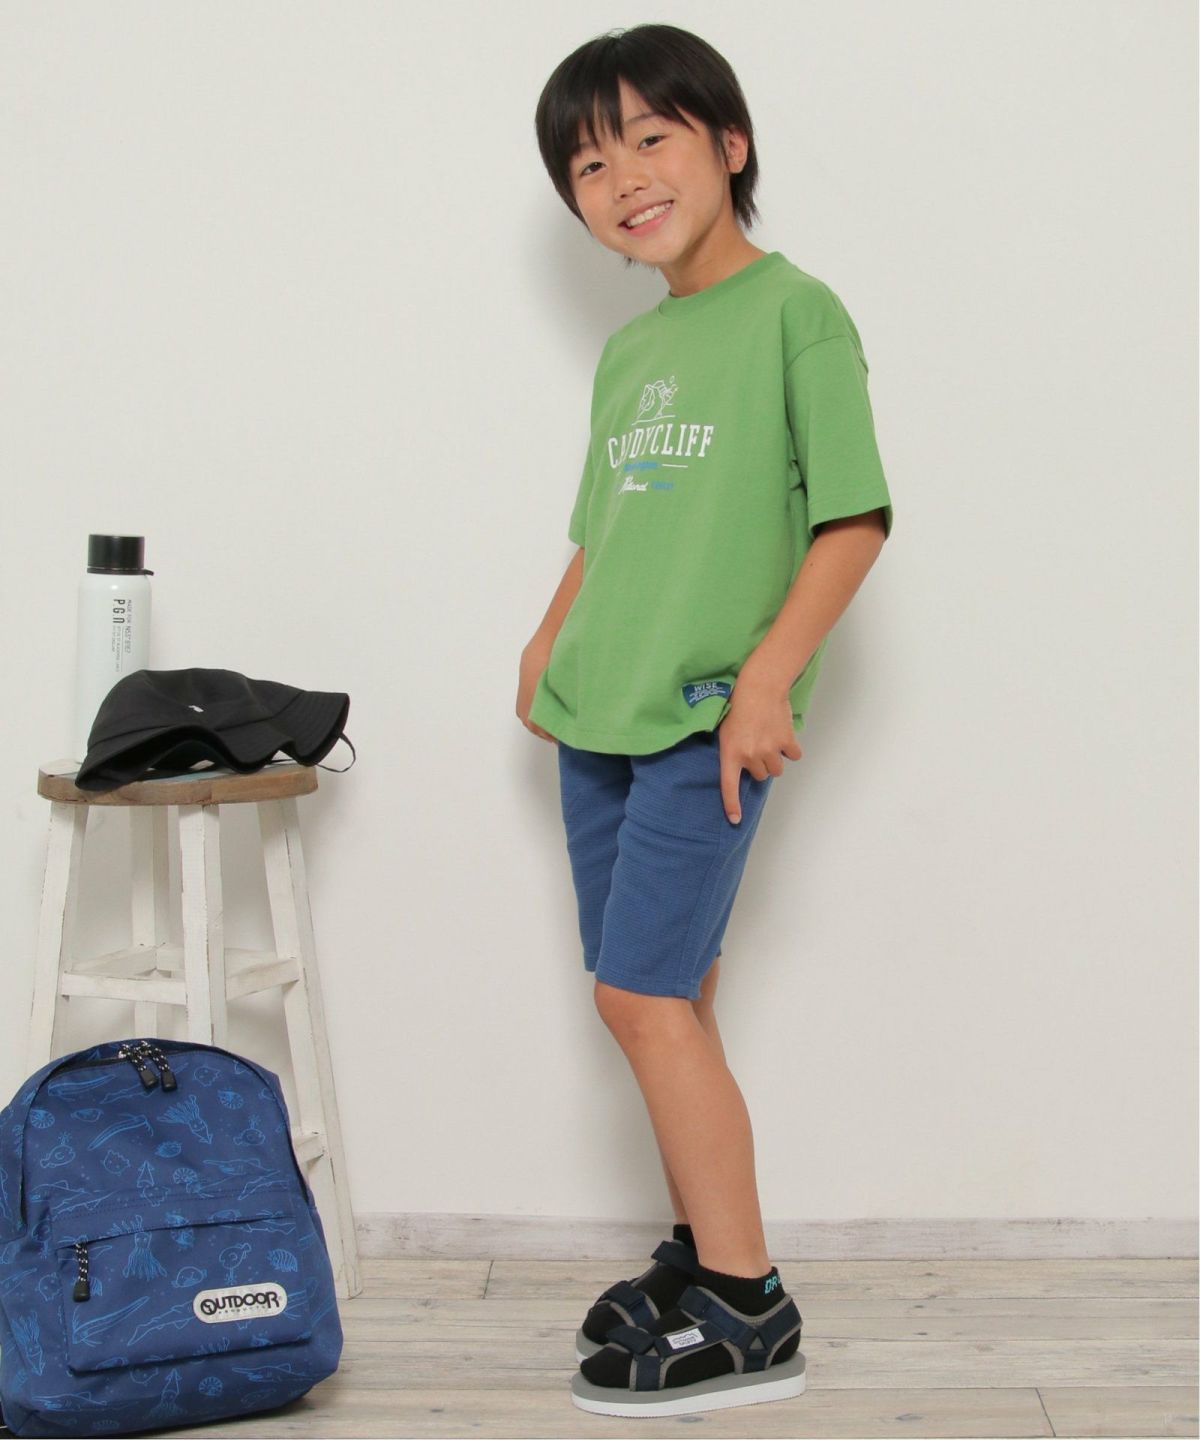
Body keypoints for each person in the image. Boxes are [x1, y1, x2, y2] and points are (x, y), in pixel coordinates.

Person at [517, 23, 894, 1418]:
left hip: (699, 720)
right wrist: (547, 641)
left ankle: (748, 1303)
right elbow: (605, 526)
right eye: (587, 163)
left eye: (649, 139)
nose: (621, 178)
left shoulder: (798, 312)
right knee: (670, 995)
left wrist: (767, 679)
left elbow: (854, 518)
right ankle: (701, 1246)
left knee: (640, 997)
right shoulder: (633, 353)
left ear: (729, 145)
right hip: (600, 719)